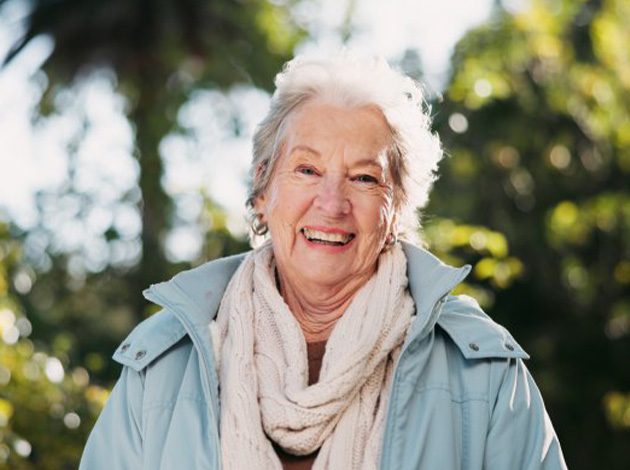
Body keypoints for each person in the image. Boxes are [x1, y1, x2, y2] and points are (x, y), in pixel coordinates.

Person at [80, 54, 567, 470]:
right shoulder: (162, 362)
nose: (331, 203)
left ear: (397, 206)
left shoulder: (483, 371)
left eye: (363, 179)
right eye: (307, 169)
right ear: (263, 192)